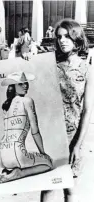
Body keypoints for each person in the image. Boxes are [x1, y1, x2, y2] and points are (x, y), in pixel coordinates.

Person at [38, 19, 94, 202]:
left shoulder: (87, 70)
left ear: (76, 38)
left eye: (67, 36)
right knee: (47, 188)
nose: (62, 40)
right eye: (59, 37)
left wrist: (77, 145)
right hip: (50, 135)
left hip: (73, 136)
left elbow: (87, 111)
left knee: (70, 190)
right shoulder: (48, 65)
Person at [0, 72, 53, 184]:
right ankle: (19, 173)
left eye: (26, 83)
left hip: (0, 154)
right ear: (13, 87)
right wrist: (43, 153)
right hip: (16, 154)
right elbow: (35, 131)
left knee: (28, 155)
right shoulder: (27, 101)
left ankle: (8, 171)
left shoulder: (6, 105)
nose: (25, 86)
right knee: (48, 163)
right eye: (21, 84)